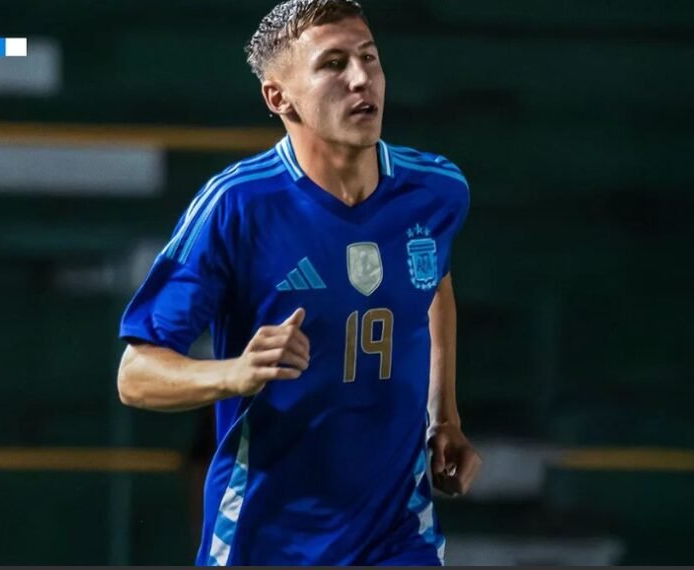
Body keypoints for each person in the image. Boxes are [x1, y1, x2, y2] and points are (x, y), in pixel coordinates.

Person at [117, 0, 481, 565]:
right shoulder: (236, 207)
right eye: (333, 64)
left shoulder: (437, 190)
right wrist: (235, 372)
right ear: (278, 97)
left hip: (396, 535)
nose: (362, 78)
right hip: (268, 541)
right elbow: (135, 374)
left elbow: (434, 282)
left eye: (369, 57)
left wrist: (445, 417)